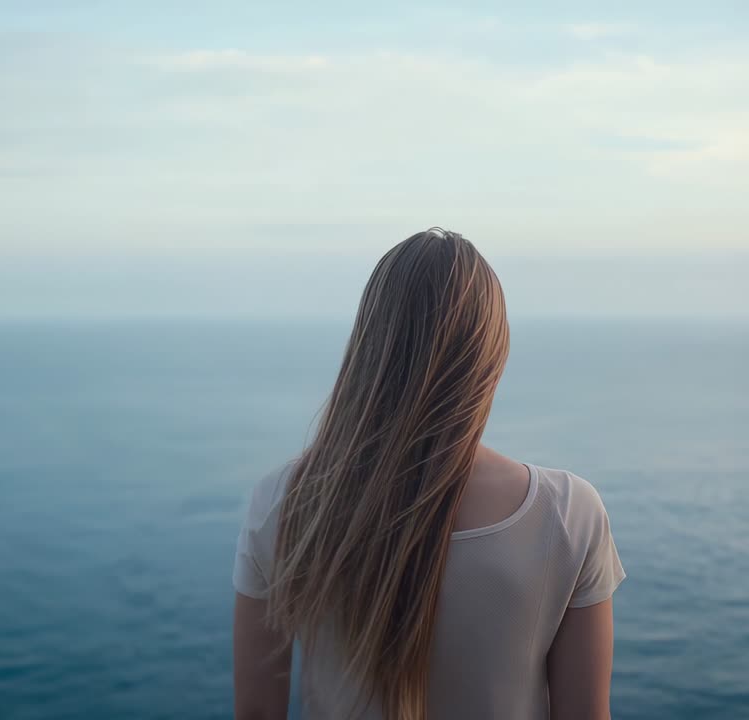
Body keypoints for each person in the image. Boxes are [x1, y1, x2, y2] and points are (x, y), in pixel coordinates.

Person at [232, 228, 626, 719]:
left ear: (368, 346)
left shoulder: (284, 502)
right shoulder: (567, 513)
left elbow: (255, 712)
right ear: (491, 353)